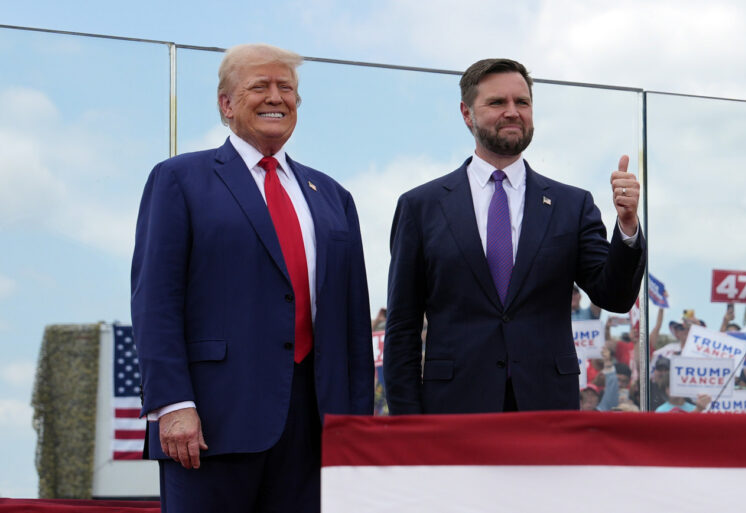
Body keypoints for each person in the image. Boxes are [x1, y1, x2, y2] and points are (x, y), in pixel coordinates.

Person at [131, 43, 373, 513]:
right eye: (259, 86)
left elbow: (351, 320)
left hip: (317, 427)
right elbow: (155, 301)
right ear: (226, 103)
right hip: (210, 423)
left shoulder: (333, 197)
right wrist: (172, 403)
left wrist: (356, 422)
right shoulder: (179, 179)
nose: (275, 97)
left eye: (287, 88)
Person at [384, 58, 646, 414]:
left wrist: (627, 226)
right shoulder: (421, 207)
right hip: (453, 412)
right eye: (497, 103)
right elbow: (402, 328)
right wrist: (405, 426)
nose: (512, 112)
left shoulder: (572, 205)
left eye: (522, 102)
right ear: (467, 113)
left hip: (547, 410)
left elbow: (613, 296)